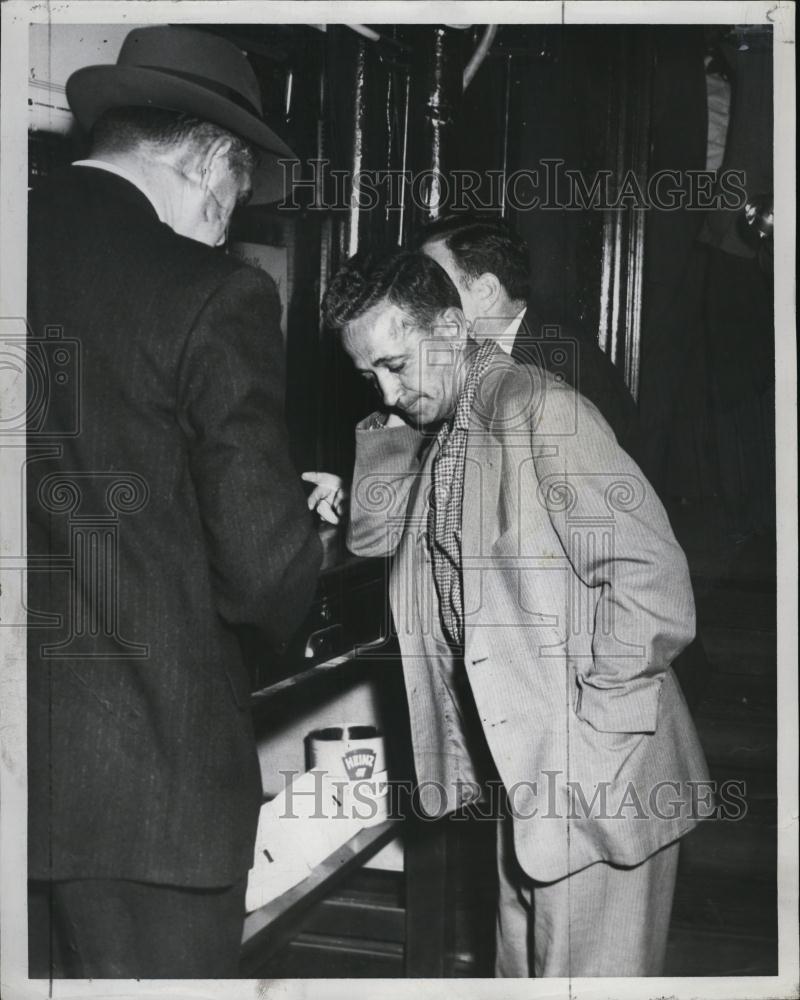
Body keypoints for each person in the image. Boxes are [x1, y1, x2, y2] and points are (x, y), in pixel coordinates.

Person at [321, 249, 710, 977]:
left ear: (450, 326)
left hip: (596, 782)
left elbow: (650, 577)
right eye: (368, 373)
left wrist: (595, 736)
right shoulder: (451, 424)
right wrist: (394, 408)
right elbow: (377, 541)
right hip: (525, 786)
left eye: (396, 364)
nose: (387, 388)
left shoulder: (538, 408)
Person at [26, 26, 322, 978]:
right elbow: (262, 572)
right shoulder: (209, 294)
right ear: (208, 160)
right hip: (145, 792)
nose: (229, 224)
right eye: (235, 200)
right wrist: (302, 533)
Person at [417, 212, 647, 468]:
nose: (422, 304)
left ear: (486, 292)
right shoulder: (460, 359)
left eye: (436, 288)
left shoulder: (567, 367)